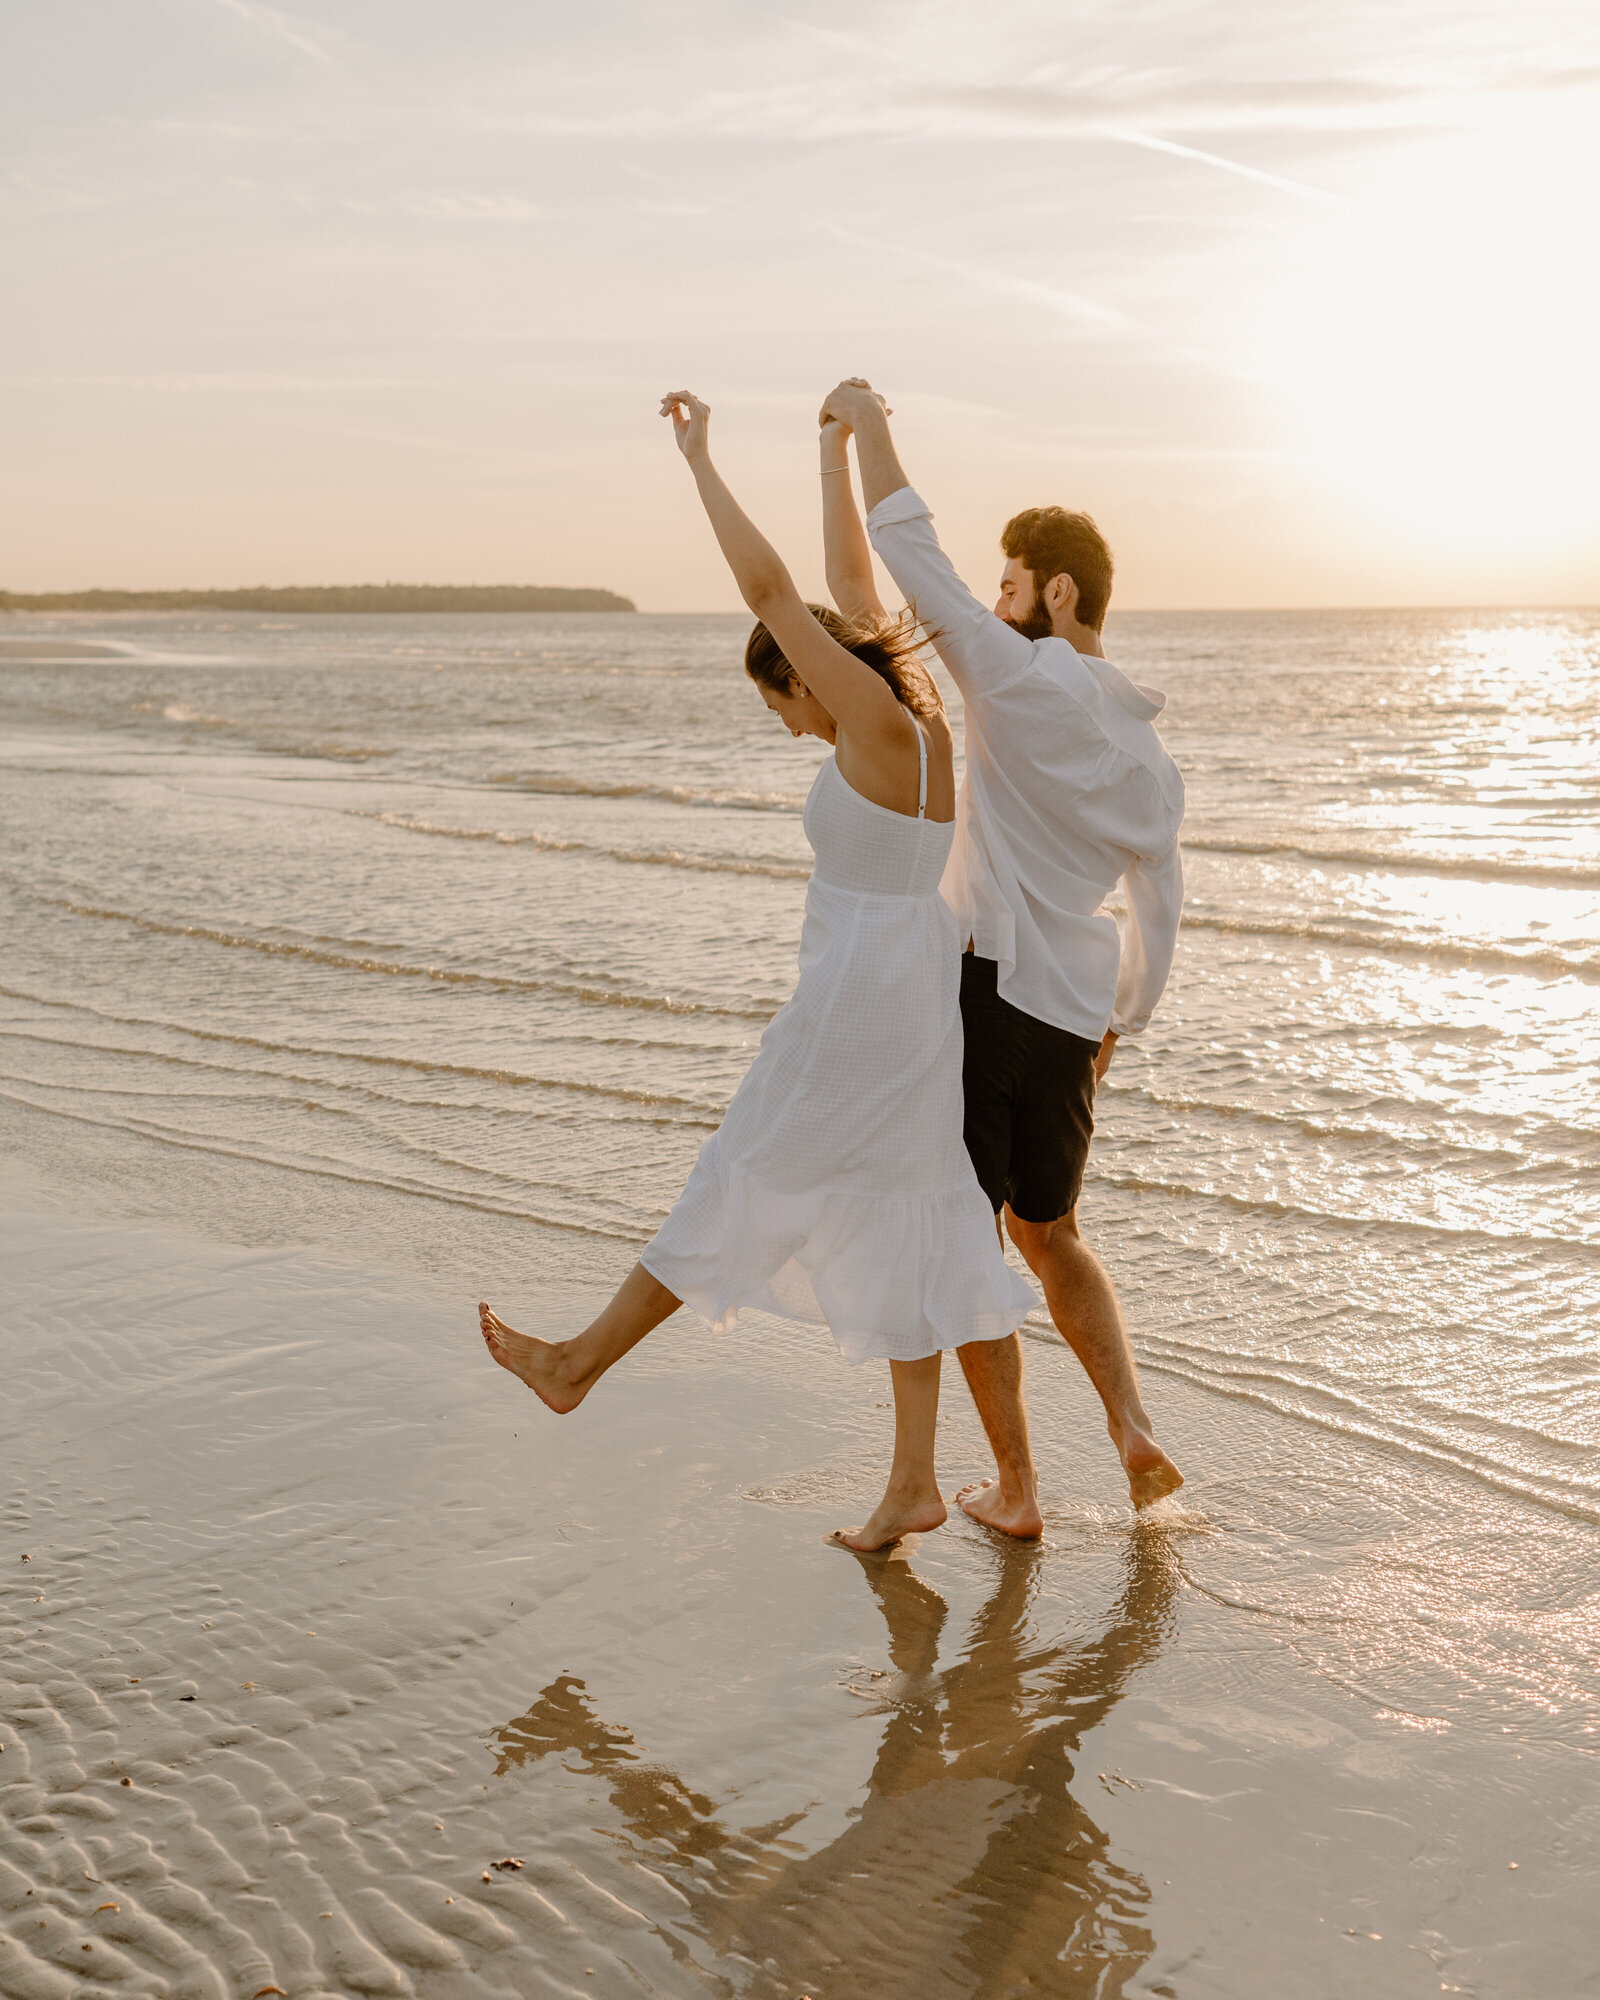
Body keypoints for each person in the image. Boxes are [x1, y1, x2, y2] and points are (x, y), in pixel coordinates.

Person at [479, 390, 1034, 1553]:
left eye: (776, 697)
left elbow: (780, 595)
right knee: (910, 1223)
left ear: (805, 678)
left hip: (858, 1005)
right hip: (912, 1002)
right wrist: (826, 451)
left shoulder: (877, 729)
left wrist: (699, 461)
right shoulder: (913, 723)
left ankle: (579, 1362)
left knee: (739, 1172)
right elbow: (841, 583)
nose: (784, 724)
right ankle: (912, 1484)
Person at [817, 378, 1187, 1530]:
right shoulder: (1146, 754)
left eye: (1011, 582)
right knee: (1053, 1230)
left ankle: (1018, 1489)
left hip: (984, 990)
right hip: (1076, 1012)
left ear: (1056, 590)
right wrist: (1122, 1019)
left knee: (965, 1240)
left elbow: (901, 552)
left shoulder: (1017, 676)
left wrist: (863, 425)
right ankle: (1131, 1428)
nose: (993, 597)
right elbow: (1159, 898)